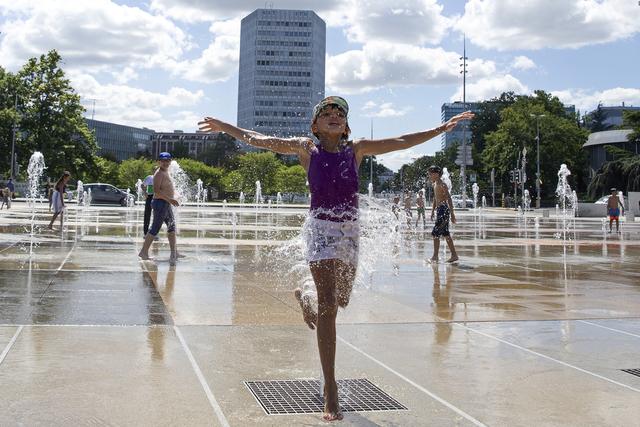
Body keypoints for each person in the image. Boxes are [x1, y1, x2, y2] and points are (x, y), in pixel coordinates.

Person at [199, 96, 472, 421]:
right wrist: (224, 126)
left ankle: (306, 301)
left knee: (340, 301)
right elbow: (257, 139)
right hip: (320, 230)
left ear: (346, 125)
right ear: (315, 126)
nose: (333, 116)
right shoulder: (306, 149)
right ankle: (331, 388)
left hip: (349, 233)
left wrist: (440, 128)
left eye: (339, 113)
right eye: (326, 113)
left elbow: (401, 141)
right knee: (330, 302)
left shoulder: (356, 150)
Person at [138, 152, 180, 264]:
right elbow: (156, 190)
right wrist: (170, 199)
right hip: (160, 203)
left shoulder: (166, 172)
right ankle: (143, 252)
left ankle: (174, 252)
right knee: (155, 228)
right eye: (163, 161)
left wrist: (175, 195)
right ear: (159, 162)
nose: (166, 163)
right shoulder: (159, 173)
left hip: (165, 203)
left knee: (172, 227)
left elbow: (167, 188)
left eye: (168, 160)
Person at [428, 165, 459, 263]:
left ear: (437, 174)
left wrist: (452, 214)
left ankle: (435, 256)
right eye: (429, 173)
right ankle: (454, 255)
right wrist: (433, 211)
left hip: (443, 210)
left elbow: (449, 198)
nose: (430, 175)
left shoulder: (442, 184)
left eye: (431, 173)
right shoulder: (435, 184)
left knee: (435, 233)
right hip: (439, 210)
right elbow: (435, 199)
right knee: (446, 233)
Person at [142, 167, 157, 236]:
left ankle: (154, 232)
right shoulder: (149, 177)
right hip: (150, 197)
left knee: (157, 216)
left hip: (158, 198)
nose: (156, 171)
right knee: (147, 215)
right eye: (154, 170)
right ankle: (145, 232)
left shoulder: (161, 177)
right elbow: (142, 185)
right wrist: (145, 193)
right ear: (152, 171)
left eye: (157, 170)